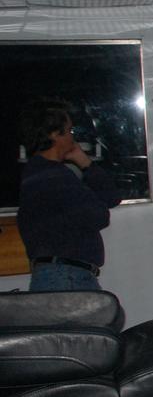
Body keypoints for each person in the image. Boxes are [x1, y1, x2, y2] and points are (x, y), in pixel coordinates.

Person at [17, 98, 122, 291]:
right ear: (56, 134)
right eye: (70, 131)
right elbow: (98, 216)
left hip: (63, 275)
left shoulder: (39, 173)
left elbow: (111, 197)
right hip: (65, 277)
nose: (72, 138)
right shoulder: (51, 177)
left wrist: (84, 162)